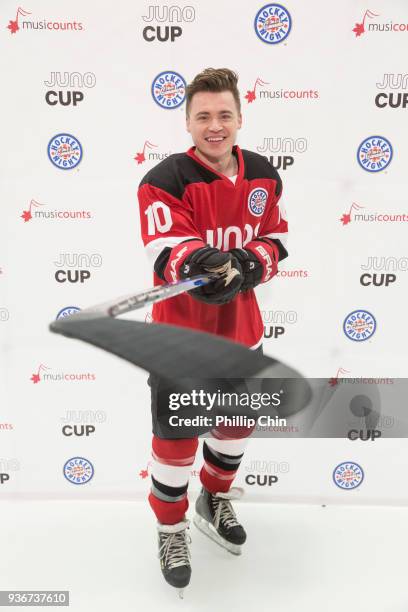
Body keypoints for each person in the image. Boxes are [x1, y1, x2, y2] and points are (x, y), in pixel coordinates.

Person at [138, 67, 288, 596]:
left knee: (234, 430)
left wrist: (247, 265)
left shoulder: (265, 174)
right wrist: (200, 262)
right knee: (176, 443)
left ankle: (213, 498)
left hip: (241, 335)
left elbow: (275, 238)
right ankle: (170, 528)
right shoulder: (164, 179)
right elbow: (167, 249)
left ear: (240, 118)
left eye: (224, 114)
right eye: (203, 115)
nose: (215, 125)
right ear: (188, 123)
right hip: (182, 341)